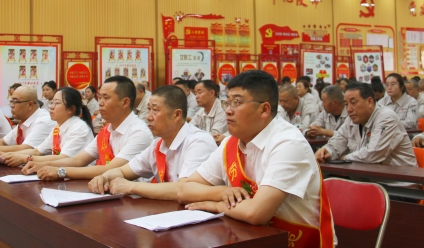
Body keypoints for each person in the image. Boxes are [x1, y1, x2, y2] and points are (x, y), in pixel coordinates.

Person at [177, 70, 334, 246]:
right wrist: (222, 192)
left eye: (237, 102)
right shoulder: (231, 142)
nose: (228, 110)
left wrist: (216, 205)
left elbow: (256, 213)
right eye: (227, 102)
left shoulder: (289, 143)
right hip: (249, 237)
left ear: (264, 109)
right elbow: (184, 190)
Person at [89, 86, 217, 199]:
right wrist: (104, 177)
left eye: (155, 110)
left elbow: (185, 189)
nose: (148, 116)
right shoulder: (158, 144)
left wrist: (131, 187)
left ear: (177, 115)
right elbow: (123, 171)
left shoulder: (198, 142)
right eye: (148, 109)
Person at [21, 76, 153, 181]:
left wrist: (61, 171)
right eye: (99, 97)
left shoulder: (139, 132)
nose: (100, 103)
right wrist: (42, 165)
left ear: (125, 102)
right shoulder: (107, 130)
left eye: (106, 98)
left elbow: (111, 169)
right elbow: (78, 160)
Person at [315, 82, 417, 167]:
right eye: (346, 104)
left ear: (369, 102)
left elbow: (373, 154)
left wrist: (344, 158)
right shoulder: (352, 119)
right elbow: (338, 140)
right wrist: (327, 150)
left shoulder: (386, 117)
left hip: (399, 181)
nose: (349, 109)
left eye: (353, 102)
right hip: (366, 178)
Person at [0, 87, 93, 166]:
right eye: (51, 102)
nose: (51, 107)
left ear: (71, 109)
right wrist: (8, 155)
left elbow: (64, 158)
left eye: (57, 103)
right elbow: (37, 151)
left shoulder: (79, 128)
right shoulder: (57, 128)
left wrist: (25, 159)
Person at [0, 86, 55, 154]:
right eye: (11, 101)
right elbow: (3, 142)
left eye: (15, 102)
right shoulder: (25, 120)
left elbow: (25, 149)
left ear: (30, 105)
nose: (11, 105)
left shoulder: (43, 121)